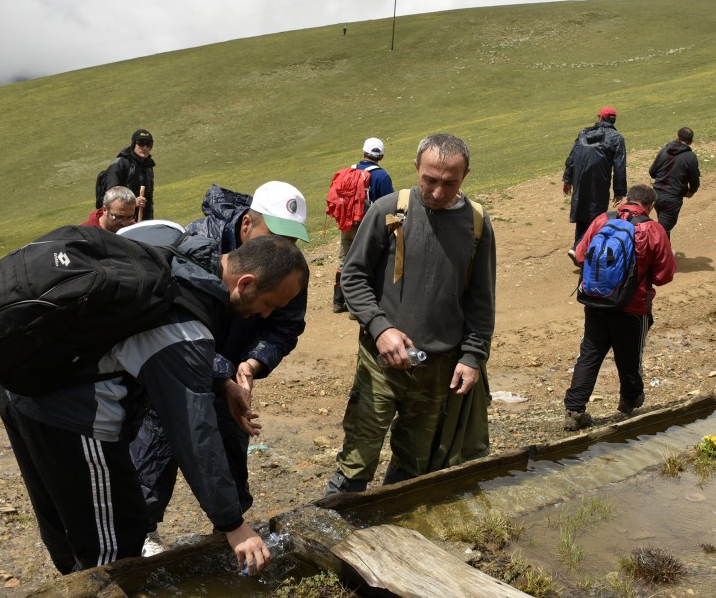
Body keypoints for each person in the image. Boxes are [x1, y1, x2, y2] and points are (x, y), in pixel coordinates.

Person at [0, 231, 308, 576]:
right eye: (270, 304)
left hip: (24, 384)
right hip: (72, 415)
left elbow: (147, 342)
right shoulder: (185, 322)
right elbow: (192, 430)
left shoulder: (177, 263)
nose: (265, 316)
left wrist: (220, 382)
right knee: (113, 547)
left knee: (70, 526)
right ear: (245, 283)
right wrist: (232, 524)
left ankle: (74, 592)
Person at [130, 181, 310, 552]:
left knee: (228, 449)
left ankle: (231, 533)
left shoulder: (287, 267)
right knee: (158, 445)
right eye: (276, 236)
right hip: (177, 369)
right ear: (248, 225)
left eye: (292, 242)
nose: (283, 249)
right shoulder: (196, 243)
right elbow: (170, 325)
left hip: (231, 375)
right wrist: (220, 370)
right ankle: (140, 534)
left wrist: (253, 362)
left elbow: (285, 325)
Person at [326, 133, 497, 495]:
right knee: (357, 459)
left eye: (449, 183)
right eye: (429, 180)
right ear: (416, 167)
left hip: (440, 371)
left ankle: (396, 531)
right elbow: (353, 278)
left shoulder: (478, 224)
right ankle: (336, 532)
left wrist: (472, 356)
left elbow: (482, 301)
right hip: (381, 363)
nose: (437, 192)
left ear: (465, 175)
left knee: (416, 466)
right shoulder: (387, 209)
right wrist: (380, 327)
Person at [564, 184, 676, 431]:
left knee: (590, 354)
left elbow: (580, 256)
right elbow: (664, 275)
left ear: (628, 200)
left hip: (595, 301)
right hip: (632, 307)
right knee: (629, 356)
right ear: (650, 206)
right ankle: (630, 401)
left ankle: (574, 410)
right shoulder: (654, 230)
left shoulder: (603, 219)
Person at [330, 137, 395, 313]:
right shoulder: (381, 176)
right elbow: (389, 203)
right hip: (366, 226)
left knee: (344, 260)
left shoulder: (349, 172)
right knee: (364, 263)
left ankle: (338, 301)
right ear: (381, 156)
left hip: (347, 222)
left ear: (363, 152)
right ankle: (356, 307)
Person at [562, 106, 627, 252]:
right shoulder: (617, 138)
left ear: (599, 118)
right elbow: (619, 167)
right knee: (596, 215)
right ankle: (579, 249)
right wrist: (619, 191)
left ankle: (580, 250)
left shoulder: (583, 133)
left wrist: (567, 180)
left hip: (579, 180)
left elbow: (571, 158)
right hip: (599, 181)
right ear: (614, 120)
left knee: (582, 211)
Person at [649, 127, 700, 241]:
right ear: (691, 142)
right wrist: (692, 191)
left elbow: (652, 172)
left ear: (676, 136)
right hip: (672, 198)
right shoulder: (690, 157)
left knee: (663, 228)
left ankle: (665, 254)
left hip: (656, 194)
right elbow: (694, 178)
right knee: (662, 230)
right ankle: (660, 256)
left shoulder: (664, 150)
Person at [100, 128, 156, 221]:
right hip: (120, 220)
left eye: (148, 144)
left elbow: (149, 199)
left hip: (142, 221)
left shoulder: (148, 167)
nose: (145, 148)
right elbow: (111, 196)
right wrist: (132, 203)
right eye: (141, 143)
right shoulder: (120, 164)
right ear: (134, 144)